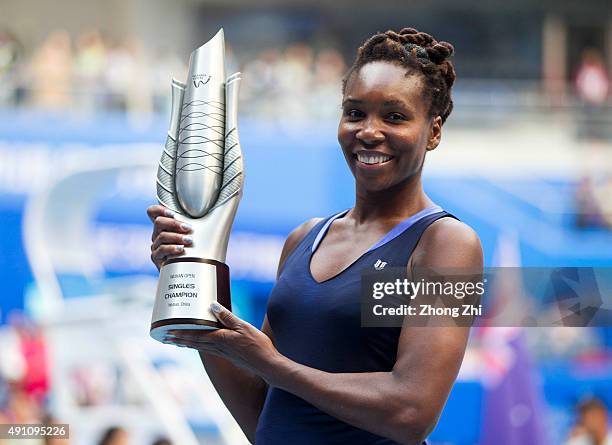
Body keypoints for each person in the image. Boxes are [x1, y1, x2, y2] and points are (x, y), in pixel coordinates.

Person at [147, 27, 483, 445]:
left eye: (394, 116)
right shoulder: (304, 239)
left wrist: (272, 365)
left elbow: (412, 412)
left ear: (433, 131)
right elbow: (261, 415)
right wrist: (194, 283)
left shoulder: (447, 244)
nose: (369, 131)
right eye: (355, 112)